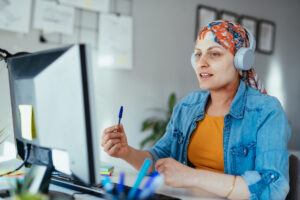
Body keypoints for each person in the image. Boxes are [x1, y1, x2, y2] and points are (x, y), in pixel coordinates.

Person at [101, 20, 291, 199]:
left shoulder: (266, 111)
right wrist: (126, 152)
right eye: (198, 54)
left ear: (241, 61)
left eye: (214, 53)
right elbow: (159, 158)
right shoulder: (187, 106)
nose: (201, 62)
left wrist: (192, 176)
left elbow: (272, 188)